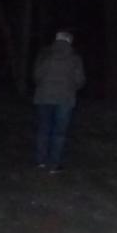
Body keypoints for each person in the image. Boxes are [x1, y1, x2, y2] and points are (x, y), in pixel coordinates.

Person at [32, 30, 86, 173]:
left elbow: (36, 76)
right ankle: (54, 164)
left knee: (43, 129)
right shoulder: (75, 58)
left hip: (43, 97)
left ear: (56, 39)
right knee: (59, 132)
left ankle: (40, 161)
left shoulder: (44, 55)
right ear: (70, 41)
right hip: (65, 99)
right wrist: (71, 87)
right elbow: (80, 80)